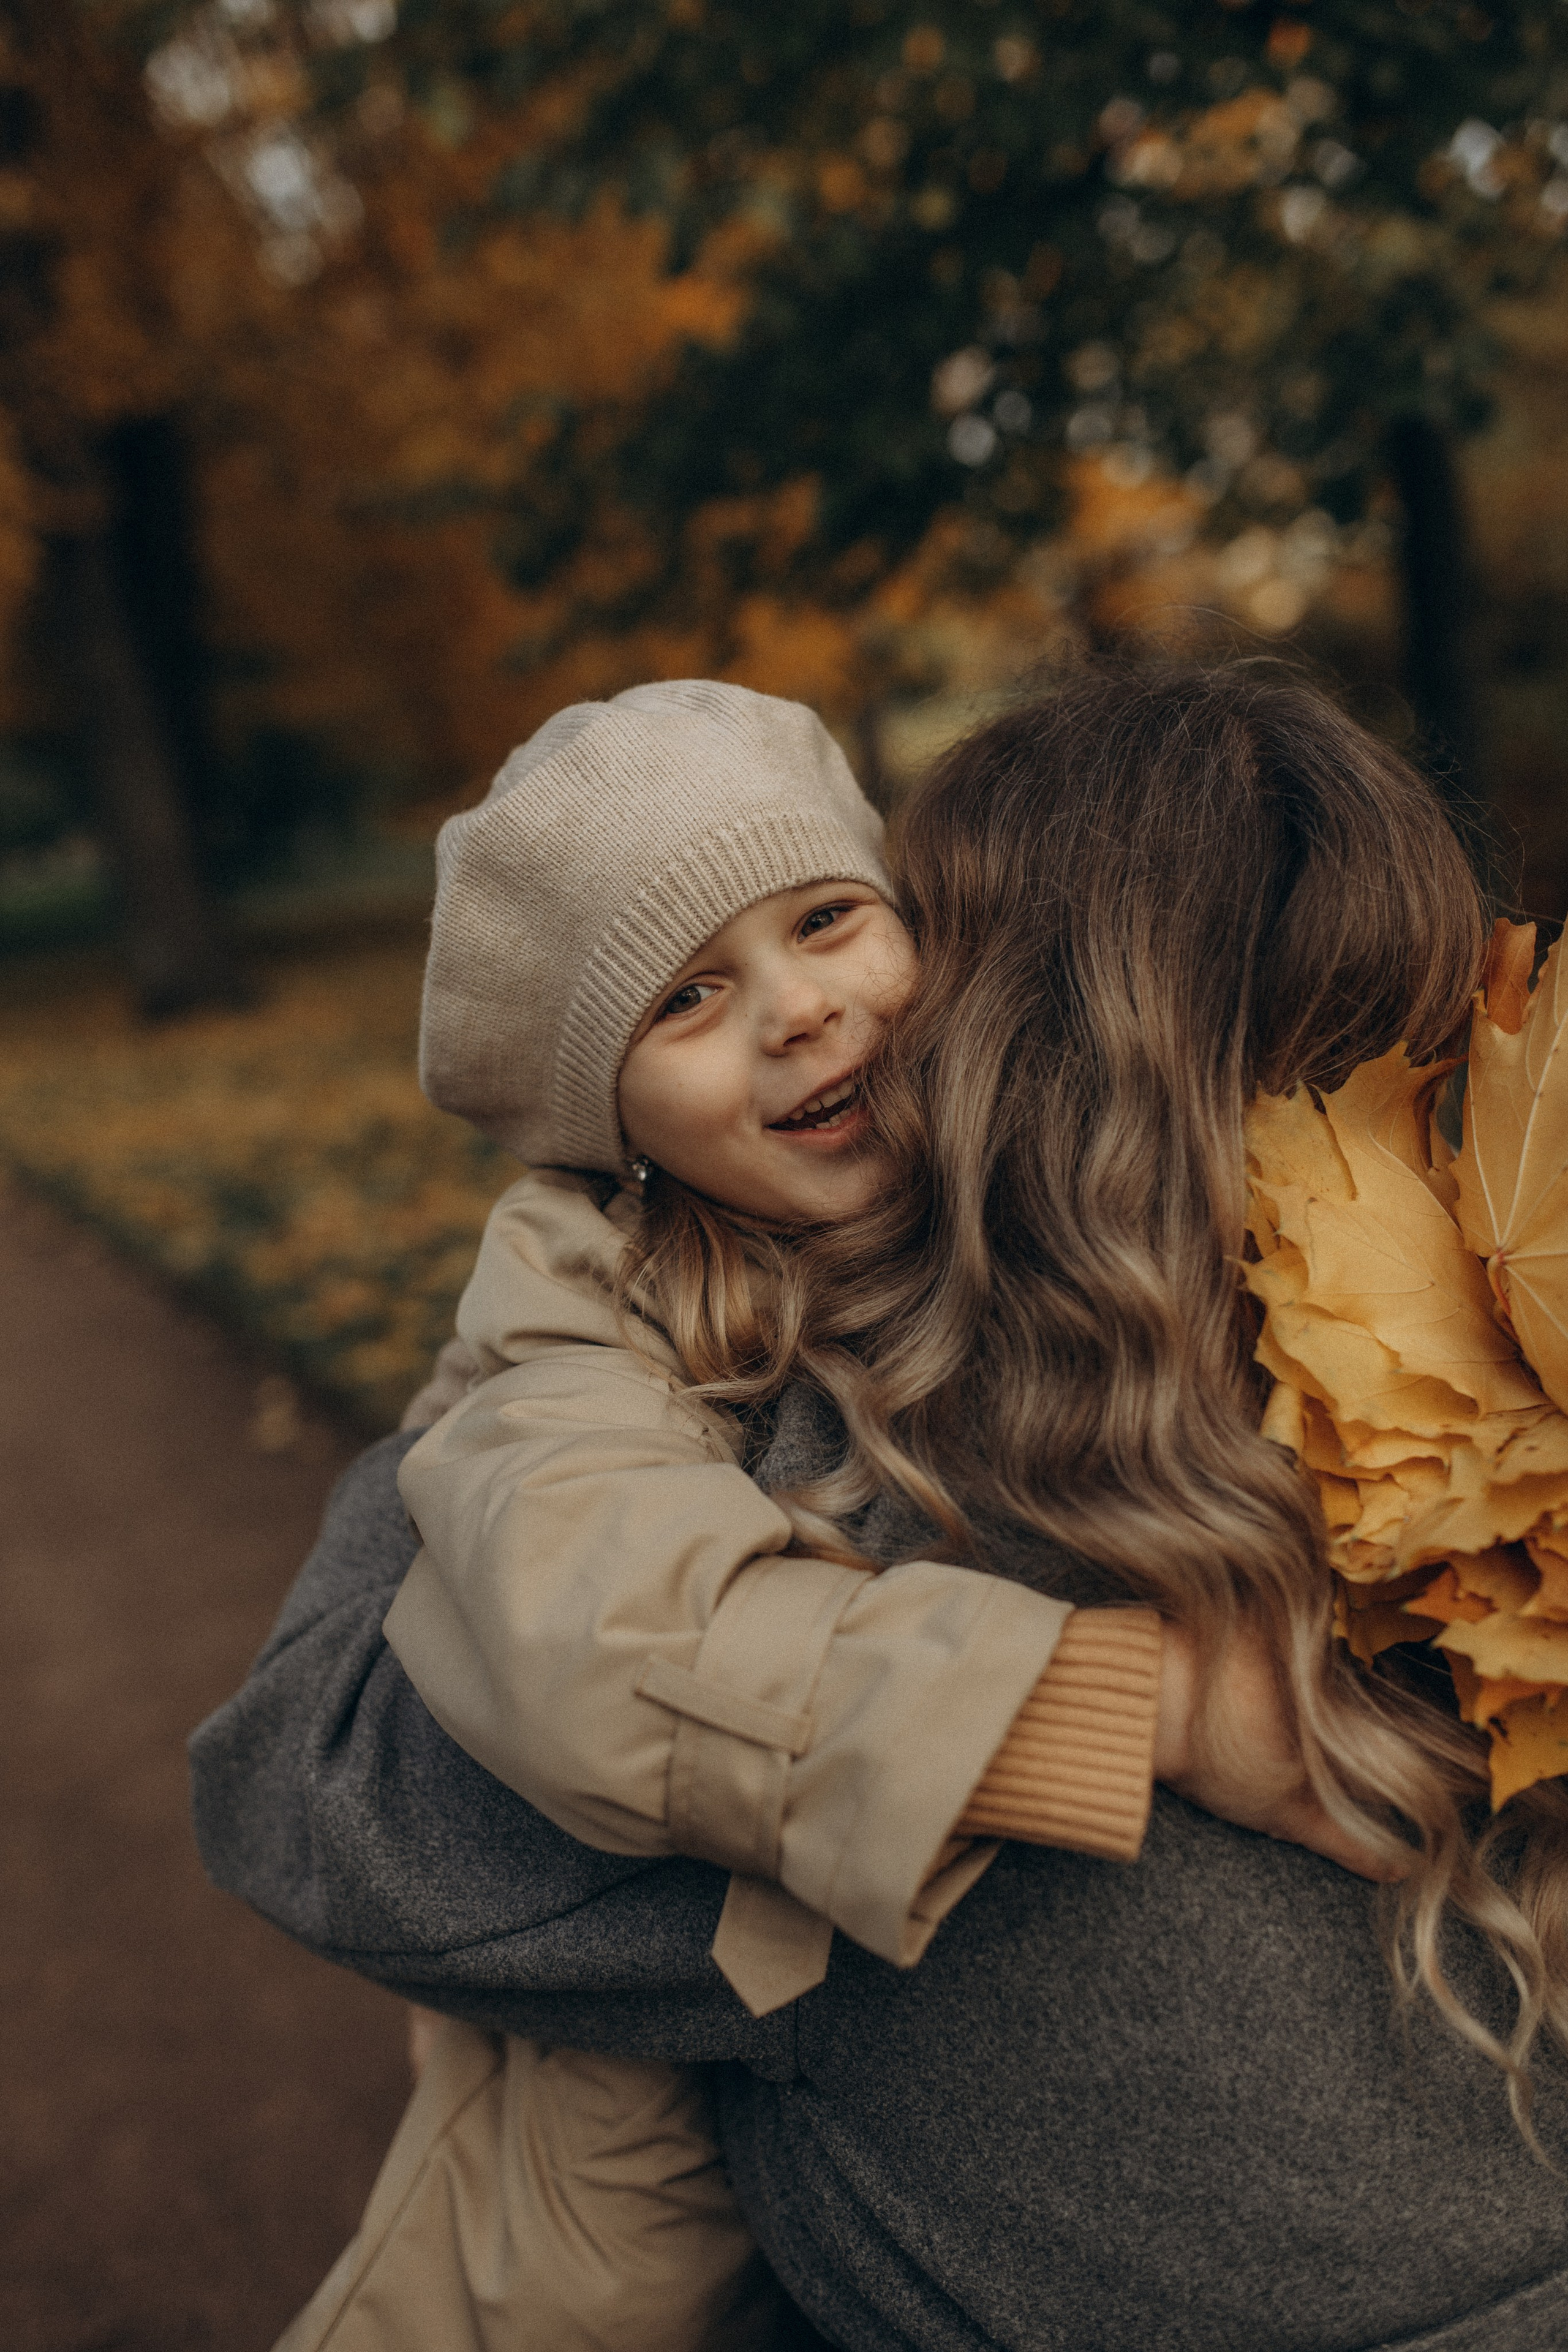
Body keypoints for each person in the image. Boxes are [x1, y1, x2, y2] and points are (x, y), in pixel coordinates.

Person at [195, 666, 1568, 2351]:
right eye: (685, 999)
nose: (794, 1011)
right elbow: (499, 1669)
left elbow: (315, 1780)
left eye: (836, 921)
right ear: (604, 1125)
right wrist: (1144, 1699)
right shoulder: (614, 1357)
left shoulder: (961, 1441)